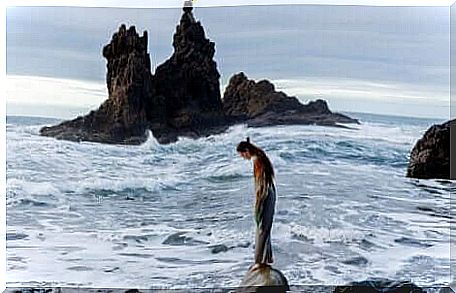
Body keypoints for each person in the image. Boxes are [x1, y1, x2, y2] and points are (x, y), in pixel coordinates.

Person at [237, 137, 276, 266]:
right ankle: (267, 258)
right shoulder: (260, 155)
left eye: (242, 155)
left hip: (265, 193)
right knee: (266, 226)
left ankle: (259, 261)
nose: (243, 157)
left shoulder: (256, 160)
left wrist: (258, 204)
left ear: (246, 151)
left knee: (261, 226)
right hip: (271, 191)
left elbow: (260, 185)